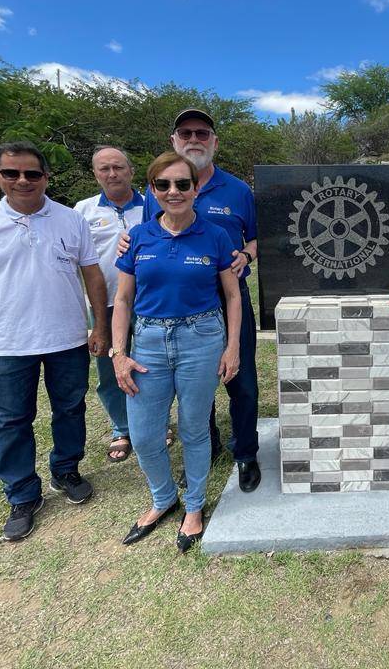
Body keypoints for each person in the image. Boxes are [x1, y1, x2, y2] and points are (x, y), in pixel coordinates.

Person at [0, 141, 108, 542]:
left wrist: (100, 326)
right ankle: (22, 494)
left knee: (70, 409)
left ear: (45, 177)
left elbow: (92, 275)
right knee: (11, 421)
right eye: (12, 173)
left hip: (66, 337)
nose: (23, 181)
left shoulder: (71, 220)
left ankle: (66, 470)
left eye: (32, 174)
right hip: (7, 343)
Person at [112, 152, 242, 550]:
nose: (174, 191)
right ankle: (163, 497)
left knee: (194, 428)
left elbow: (233, 296)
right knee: (143, 433)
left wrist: (232, 347)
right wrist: (119, 353)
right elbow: (122, 300)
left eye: (182, 184)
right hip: (148, 342)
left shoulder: (215, 235)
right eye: (164, 184)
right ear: (152, 190)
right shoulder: (138, 237)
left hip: (201, 337)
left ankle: (195, 505)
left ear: (195, 188)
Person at [135, 108, 261, 492]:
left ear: (214, 142)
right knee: (193, 383)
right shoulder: (159, 189)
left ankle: (246, 452)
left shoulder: (238, 190)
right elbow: (149, 234)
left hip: (230, 297)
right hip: (184, 305)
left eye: (202, 133)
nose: (194, 139)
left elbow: (258, 238)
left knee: (242, 381)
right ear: (173, 141)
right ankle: (206, 444)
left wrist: (247, 254)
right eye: (185, 133)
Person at [74, 146, 154, 463]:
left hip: (148, 303)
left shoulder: (152, 205)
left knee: (149, 368)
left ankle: (154, 423)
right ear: (95, 174)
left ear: (131, 171)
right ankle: (122, 428)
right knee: (110, 370)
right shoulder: (82, 212)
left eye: (118, 167)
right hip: (104, 303)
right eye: (104, 169)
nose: (112, 174)